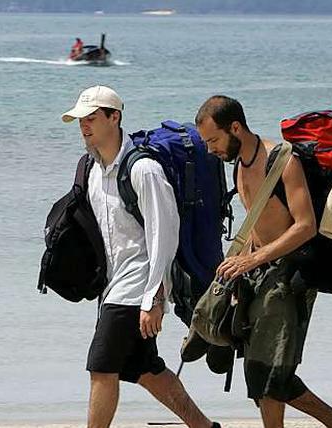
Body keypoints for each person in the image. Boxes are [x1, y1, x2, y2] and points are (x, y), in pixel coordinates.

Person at [195, 95, 332, 428]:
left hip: (290, 275)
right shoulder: (240, 166)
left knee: (271, 374)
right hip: (258, 274)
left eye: (213, 140)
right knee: (262, 374)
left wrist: (253, 258)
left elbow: (305, 226)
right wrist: (239, 262)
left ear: (236, 128)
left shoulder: (282, 161)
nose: (210, 149)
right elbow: (259, 225)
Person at [61, 85, 219, 428]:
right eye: (79, 120)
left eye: (91, 118)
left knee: (101, 368)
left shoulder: (143, 170)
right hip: (113, 287)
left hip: (137, 289)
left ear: (114, 117)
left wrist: (154, 297)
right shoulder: (92, 169)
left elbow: (165, 233)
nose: (83, 126)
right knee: (145, 370)